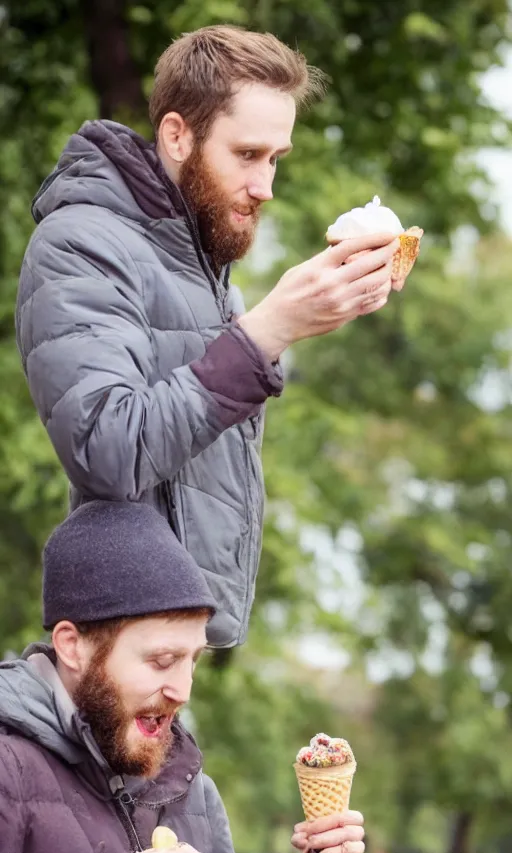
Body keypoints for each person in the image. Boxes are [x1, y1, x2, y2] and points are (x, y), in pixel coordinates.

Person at [15, 25, 398, 648]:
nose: (265, 186)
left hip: (173, 636)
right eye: (247, 154)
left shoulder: (203, 269)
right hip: (118, 643)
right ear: (177, 135)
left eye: (275, 159)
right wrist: (265, 333)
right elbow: (106, 449)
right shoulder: (81, 242)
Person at [0, 500, 365, 853]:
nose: (182, 690)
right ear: (72, 646)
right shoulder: (8, 771)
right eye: (162, 661)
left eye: (192, 660)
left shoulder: (182, 783)